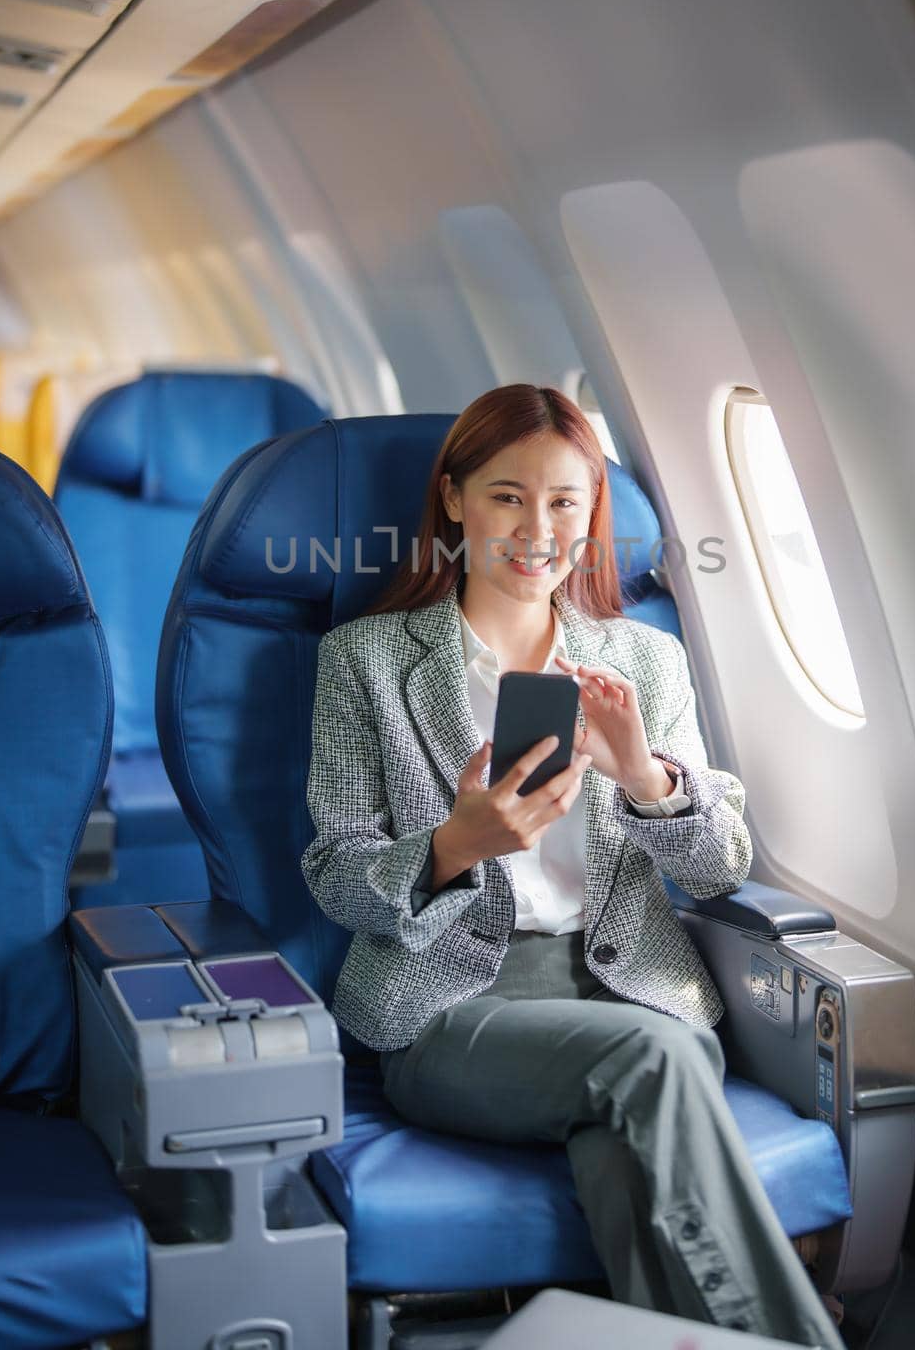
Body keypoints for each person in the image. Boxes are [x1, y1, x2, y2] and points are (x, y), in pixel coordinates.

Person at [303, 384, 844, 1348]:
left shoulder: (642, 660)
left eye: (566, 501)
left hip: (629, 992)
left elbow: (719, 870)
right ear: (455, 500)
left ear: (592, 511)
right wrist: (452, 848)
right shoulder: (367, 662)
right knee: (654, 1061)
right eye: (508, 496)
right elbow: (337, 873)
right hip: (452, 1009)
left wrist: (644, 777)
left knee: (627, 1130)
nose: (537, 528)